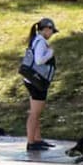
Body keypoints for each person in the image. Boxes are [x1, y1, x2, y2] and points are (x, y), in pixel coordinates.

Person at [21, 18, 58, 152]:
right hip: (37, 81)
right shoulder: (41, 42)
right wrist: (50, 53)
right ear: (46, 29)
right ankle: (31, 142)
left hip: (31, 80)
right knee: (35, 113)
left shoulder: (36, 39)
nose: (52, 34)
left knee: (35, 112)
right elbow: (39, 60)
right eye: (51, 31)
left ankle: (37, 138)